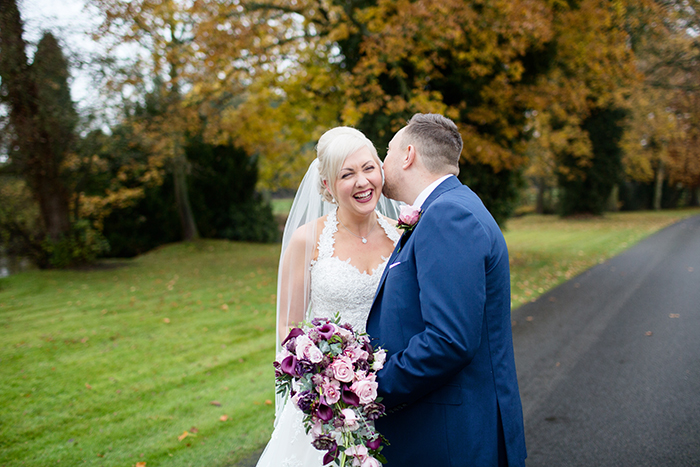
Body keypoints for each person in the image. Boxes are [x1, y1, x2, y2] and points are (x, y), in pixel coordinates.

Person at [366, 113, 527, 466]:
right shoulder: (451, 207)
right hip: (449, 431)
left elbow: (448, 340)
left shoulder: (448, 215)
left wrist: (371, 390)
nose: (382, 162)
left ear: (408, 155)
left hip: (451, 438)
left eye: (388, 152)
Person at [256, 126, 401, 467]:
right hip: (331, 403)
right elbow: (288, 327)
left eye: (368, 168)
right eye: (347, 174)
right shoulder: (308, 240)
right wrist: (325, 375)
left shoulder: (402, 236)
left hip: (396, 393)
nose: (362, 182)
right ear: (327, 186)